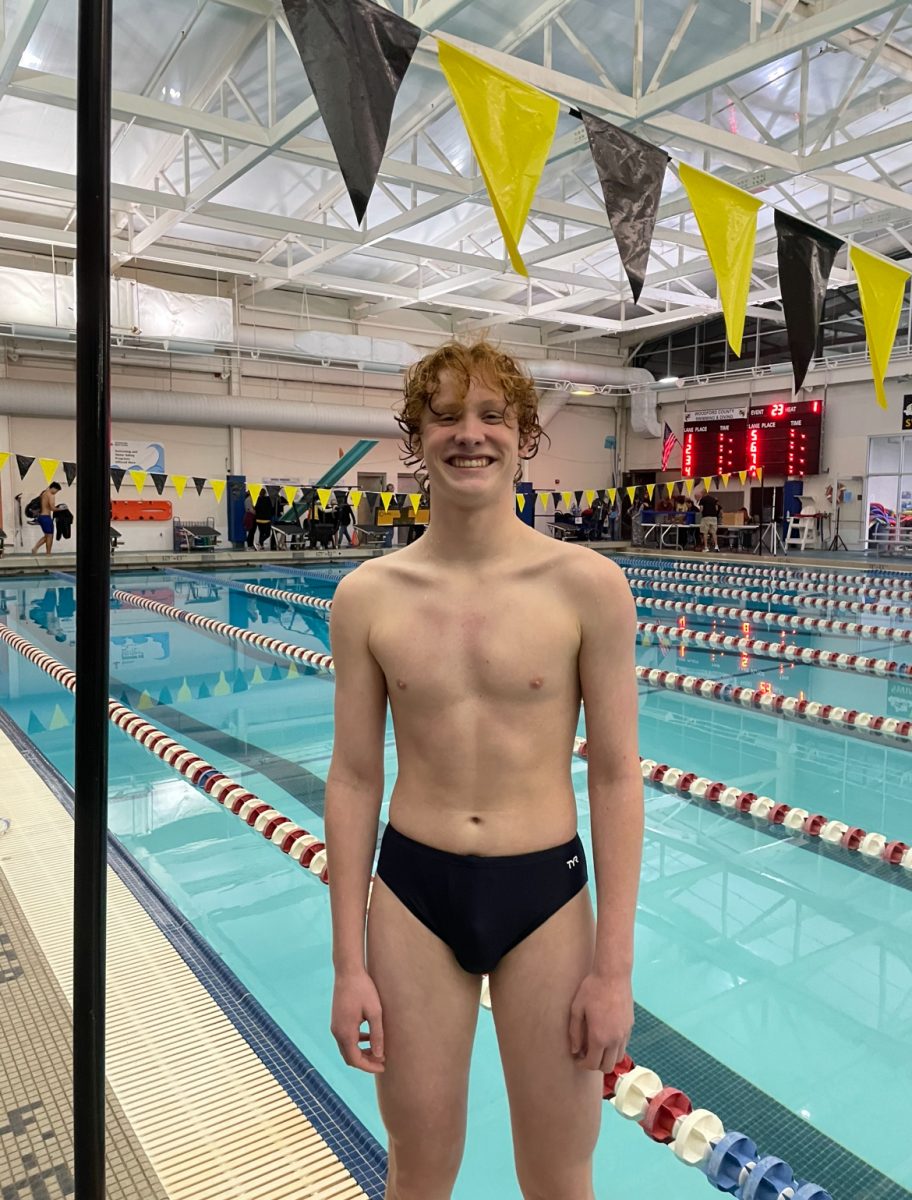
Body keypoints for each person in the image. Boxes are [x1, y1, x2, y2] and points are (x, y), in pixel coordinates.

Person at [325, 339, 643, 1200]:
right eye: (447, 416)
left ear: (525, 434)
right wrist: (346, 963)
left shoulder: (588, 586)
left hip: (546, 897)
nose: (471, 435)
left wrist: (613, 970)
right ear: (417, 436)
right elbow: (354, 777)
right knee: (419, 1167)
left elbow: (616, 776)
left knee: (558, 1167)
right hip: (413, 894)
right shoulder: (367, 596)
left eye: (492, 415)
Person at [30, 482, 62, 556]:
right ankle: (48, 553)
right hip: (46, 517)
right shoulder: (51, 495)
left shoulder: (44, 493)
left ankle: (35, 548)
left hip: (41, 517)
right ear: (53, 488)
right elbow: (52, 508)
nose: (56, 493)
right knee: (49, 536)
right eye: (57, 491)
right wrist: (61, 509)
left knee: (47, 536)